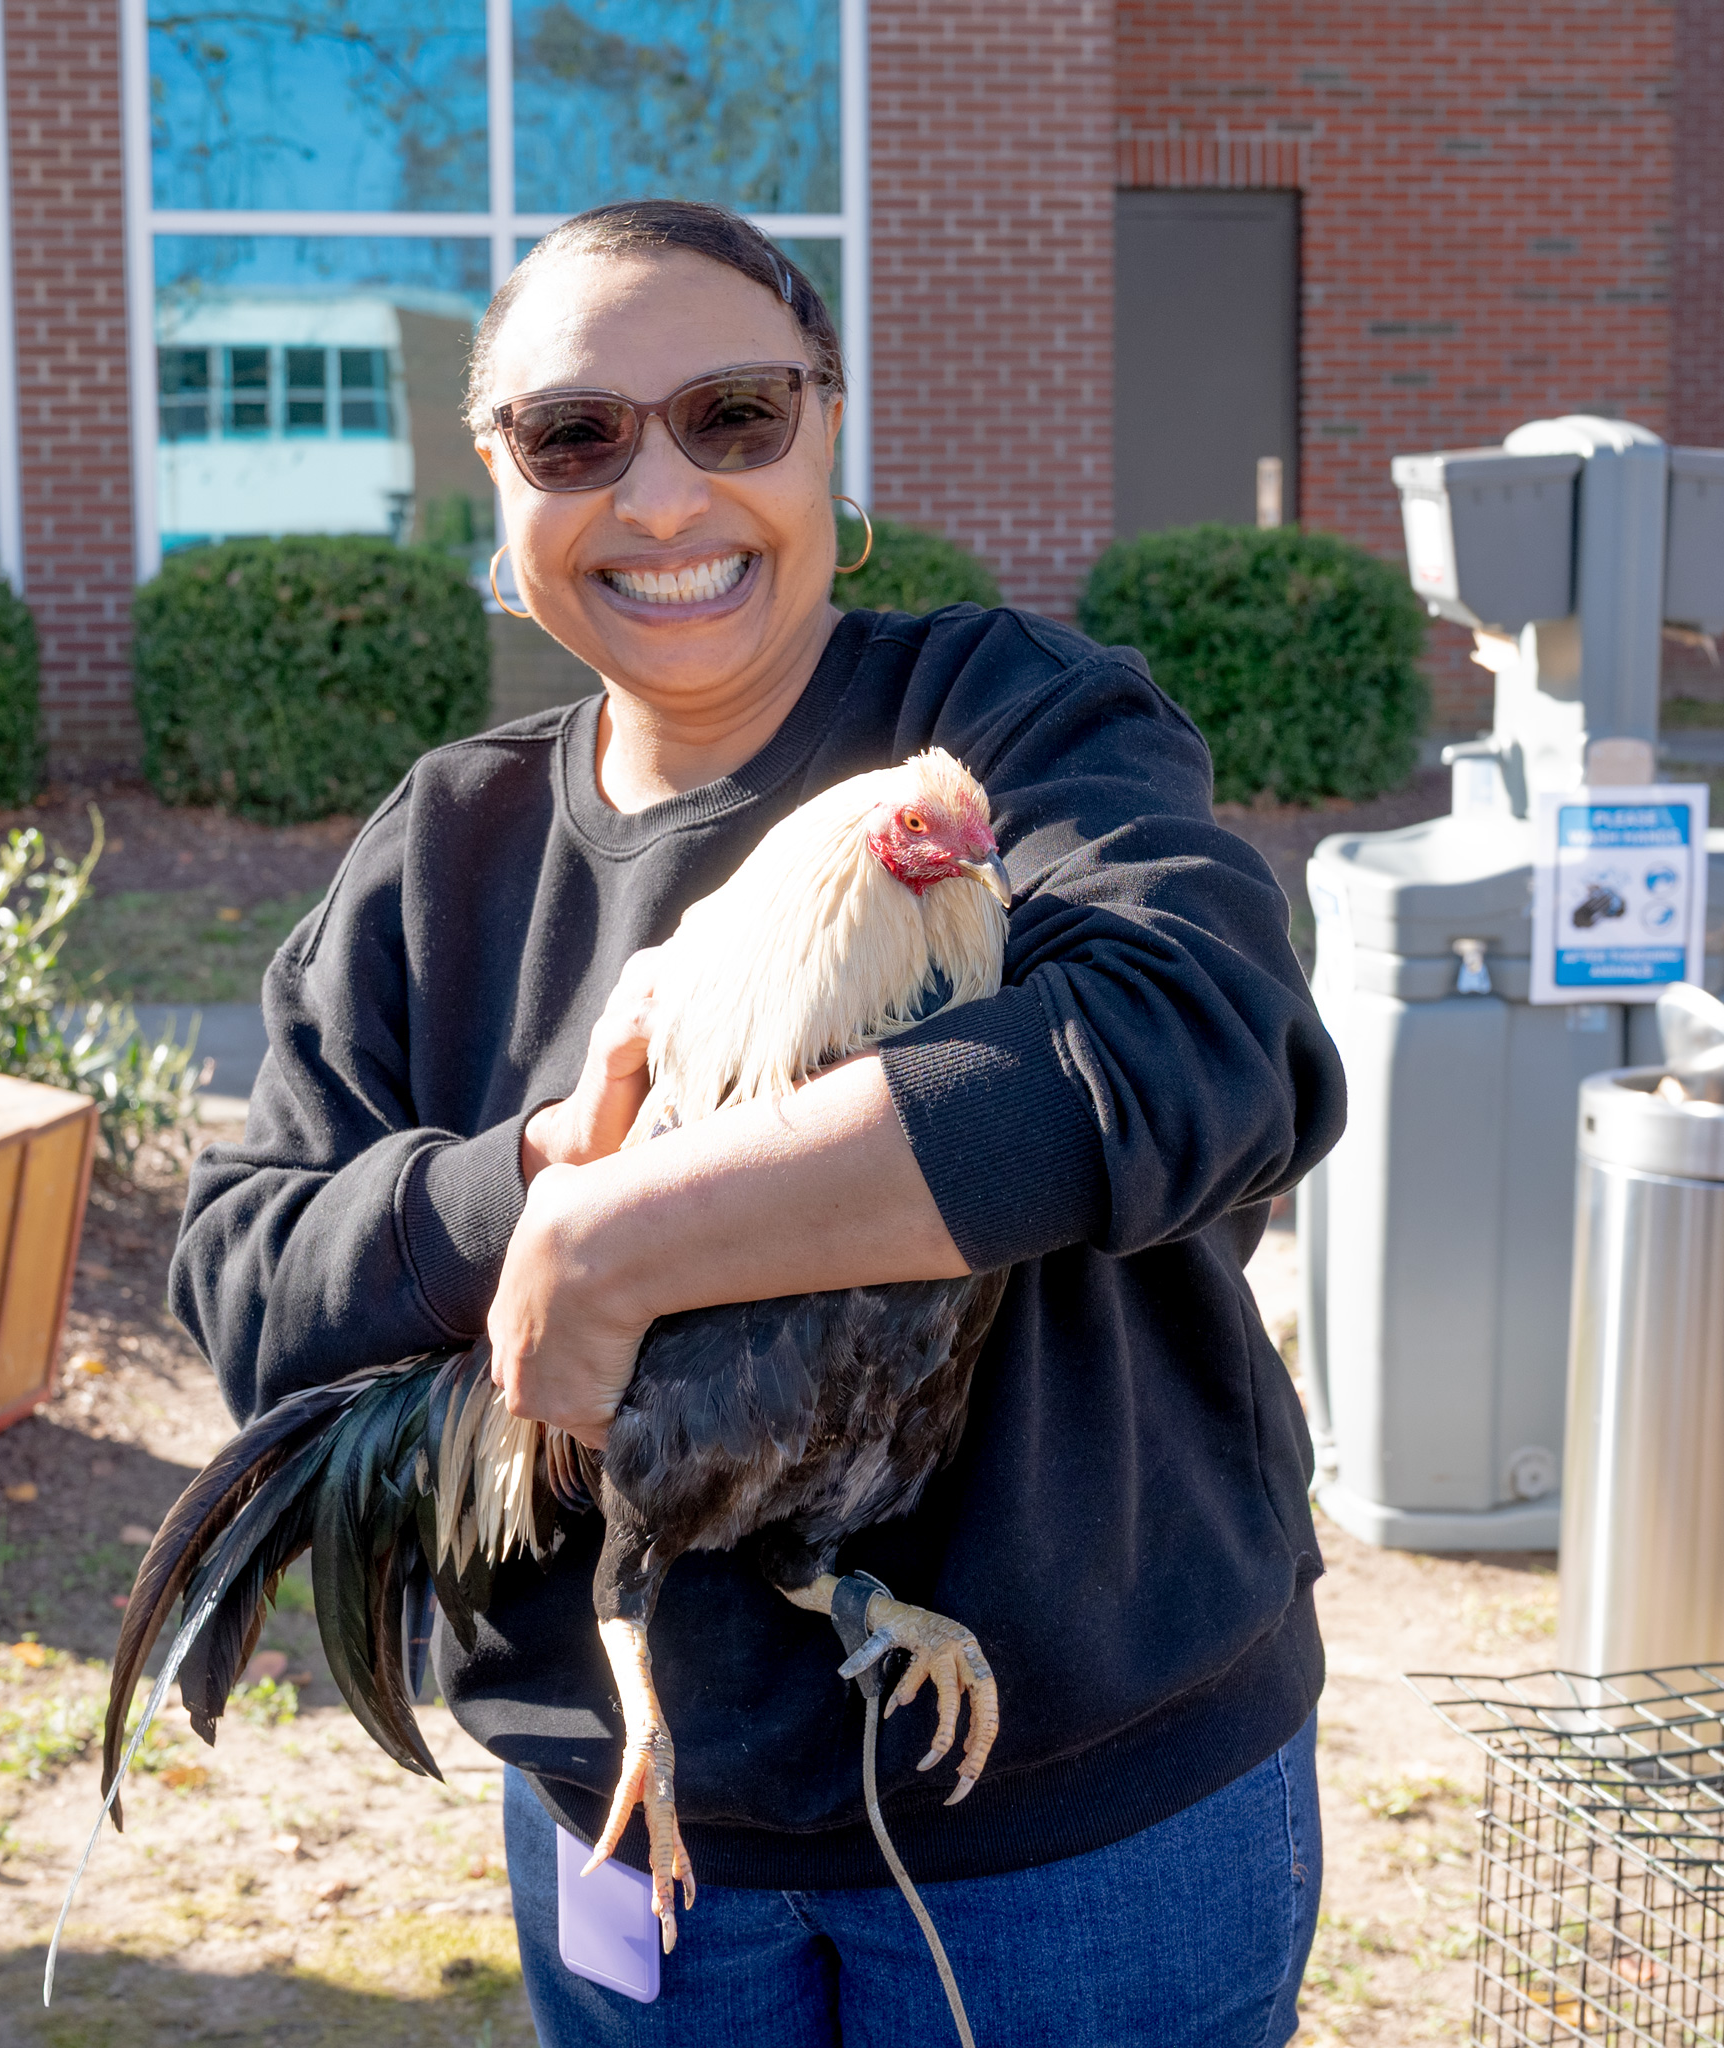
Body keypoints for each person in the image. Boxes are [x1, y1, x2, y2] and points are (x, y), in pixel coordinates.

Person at [172, 197, 1345, 2046]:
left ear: (828, 426)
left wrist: (633, 1239)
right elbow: (249, 1274)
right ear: (500, 480)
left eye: (734, 415)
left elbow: (1204, 1053)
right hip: (632, 1834)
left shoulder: (1007, 722)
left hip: (1084, 1826)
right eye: (575, 437)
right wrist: (535, 1182)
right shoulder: (446, 848)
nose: (657, 499)